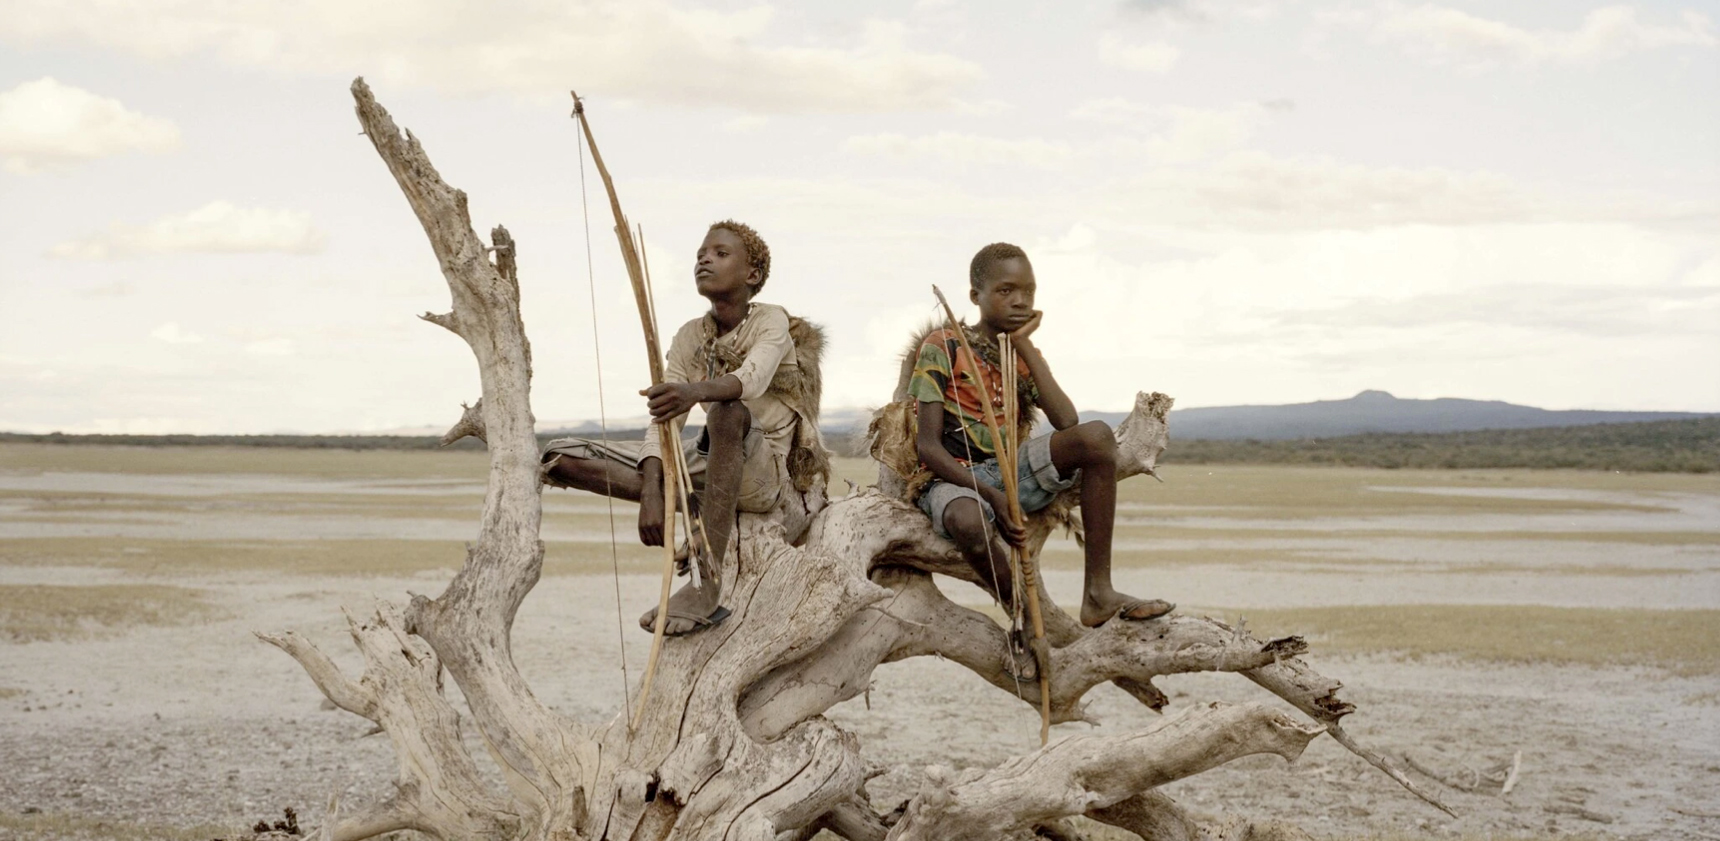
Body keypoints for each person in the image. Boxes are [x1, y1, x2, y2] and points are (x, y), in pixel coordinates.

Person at [542, 220, 827, 636]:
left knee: (727, 412)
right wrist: (653, 492)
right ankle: (701, 503)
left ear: (753, 275)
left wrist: (692, 392)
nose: (705, 259)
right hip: (711, 462)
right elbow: (665, 423)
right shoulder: (690, 335)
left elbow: (749, 380)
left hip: (766, 474)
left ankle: (704, 584)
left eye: (720, 253)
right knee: (560, 457)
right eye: (700, 255)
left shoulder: (771, 322)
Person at [909, 242, 1174, 644]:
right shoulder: (943, 347)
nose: (1019, 301)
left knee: (1097, 437)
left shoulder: (1020, 354)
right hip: (951, 479)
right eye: (1005, 290)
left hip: (1009, 469)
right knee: (968, 520)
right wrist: (992, 498)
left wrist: (1024, 345)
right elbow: (928, 447)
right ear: (974, 296)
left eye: (1028, 291)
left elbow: (1066, 421)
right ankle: (1023, 613)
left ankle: (1098, 593)